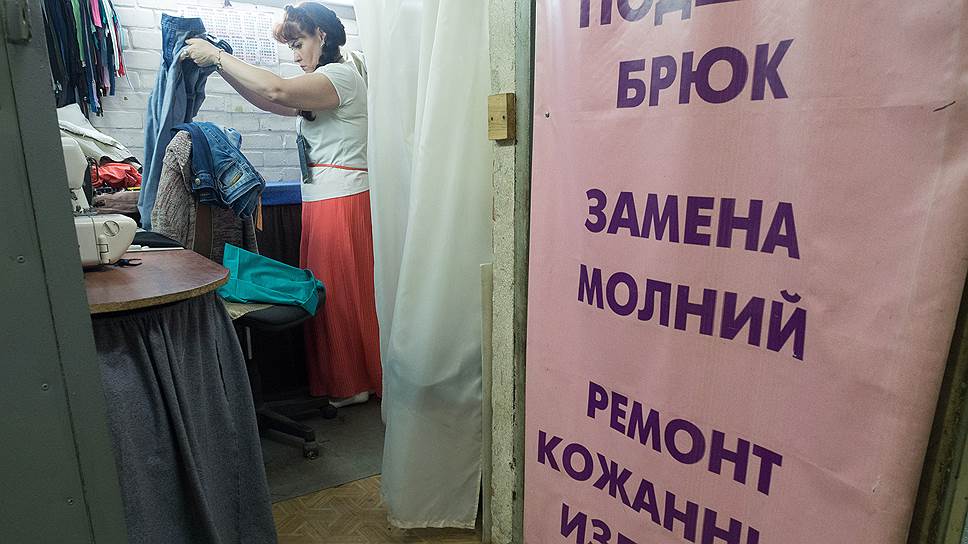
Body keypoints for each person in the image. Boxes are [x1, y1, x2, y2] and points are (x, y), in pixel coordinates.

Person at [181, 2, 382, 406]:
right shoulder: (322, 83)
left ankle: (356, 381)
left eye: (298, 43)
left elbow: (277, 90)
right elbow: (269, 101)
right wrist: (222, 67)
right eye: (290, 47)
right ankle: (349, 380)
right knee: (332, 294)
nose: (295, 55)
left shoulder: (340, 75)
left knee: (345, 296)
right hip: (325, 198)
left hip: (343, 198)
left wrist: (218, 56)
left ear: (321, 35)